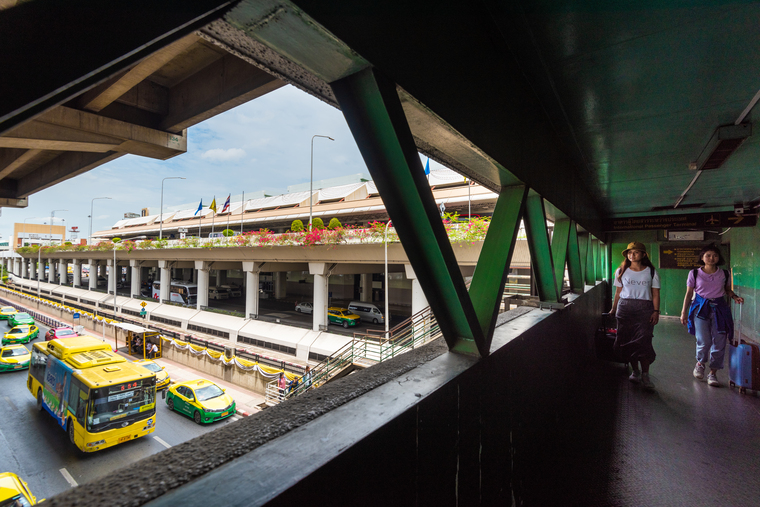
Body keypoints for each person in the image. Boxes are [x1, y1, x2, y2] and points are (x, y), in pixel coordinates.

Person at [680, 244, 743, 387]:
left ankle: (713, 373)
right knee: (704, 340)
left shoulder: (725, 273)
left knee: (720, 341)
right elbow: (689, 293)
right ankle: (700, 363)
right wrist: (684, 312)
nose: (711, 258)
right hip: (700, 309)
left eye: (715, 255)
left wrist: (735, 297)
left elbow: (727, 290)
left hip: (720, 309)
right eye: (708, 255)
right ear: (702, 257)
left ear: (719, 258)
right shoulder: (694, 273)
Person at [610, 241, 661, 390]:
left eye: (636, 252)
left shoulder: (651, 272)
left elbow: (655, 293)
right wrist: (614, 309)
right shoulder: (621, 271)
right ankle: (635, 371)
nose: (632, 255)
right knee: (628, 341)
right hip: (625, 308)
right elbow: (618, 292)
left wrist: (656, 311)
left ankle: (645, 374)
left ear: (643, 254)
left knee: (644, 341)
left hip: (645, 308)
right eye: (630, 253)